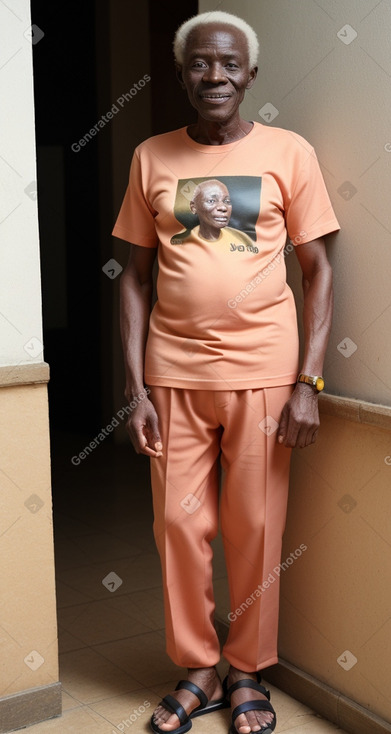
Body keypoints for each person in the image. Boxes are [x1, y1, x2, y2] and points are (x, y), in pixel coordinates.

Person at [113, 10, 340, 734]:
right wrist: (133, 387)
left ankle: (246, 672)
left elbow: (319, 271)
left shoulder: (288, 152)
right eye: (199, 64)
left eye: (228, 64)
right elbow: (131, 277)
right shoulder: (151, 156)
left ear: (249, 74)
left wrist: (308, 383)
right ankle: (198, 667)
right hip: (172, 375)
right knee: (179, 529)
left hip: (265, 378)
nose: (214, 75)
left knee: (254, 527)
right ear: (183, 74)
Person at [171, 178, 256, 248]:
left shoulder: (242, 239)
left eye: (227, 201)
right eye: (211, 201)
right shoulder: (179, 241)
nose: (223, 207)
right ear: (193, 208)